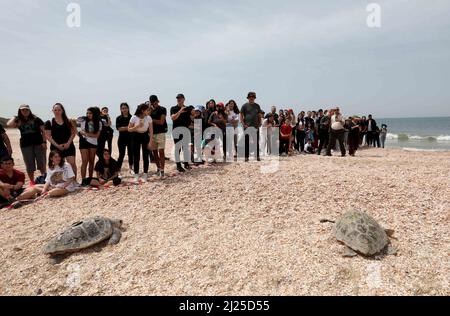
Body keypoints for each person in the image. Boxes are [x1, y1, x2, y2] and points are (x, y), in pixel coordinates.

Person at [7, 104, 47, 184]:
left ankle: (44, 180)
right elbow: (9, 124)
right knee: (29, 164)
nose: (25, 111)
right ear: (20, 111)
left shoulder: (36, 119)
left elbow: (44, 131)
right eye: (23, 110)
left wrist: (44, 142)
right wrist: (15, 117)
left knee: (41, 163)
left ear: (29, 110)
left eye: (26, 110)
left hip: (38, 144)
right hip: (26, 145)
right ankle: (32, 182)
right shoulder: (18, 120)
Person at [44, 103, 77, 179]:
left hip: (69, 146)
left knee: (72, 164)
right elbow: (48, 136)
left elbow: (73, 133)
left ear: (62, 111)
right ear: (52, 111)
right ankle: (61, 181)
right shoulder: (49, 122)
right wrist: (57, 146)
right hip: (56, 147)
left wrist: (68, 143)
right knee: (59, 165)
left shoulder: (69, 121)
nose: (57, 111)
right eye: (55, 110)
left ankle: (74, 181)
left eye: (59, 110)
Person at [128, 103, 154, 182]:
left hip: (145, 136)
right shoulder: (134, 117)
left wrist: (150, 141)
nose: (149, 111)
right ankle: (136, 175)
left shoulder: (149, 118)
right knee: (136, 156)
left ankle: (145, 174)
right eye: (147, 110)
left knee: (145, 156)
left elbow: (151, 130)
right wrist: (137, 126)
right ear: (142, 110)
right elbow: (129, 129)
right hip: (136, 136)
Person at [78, 107, 102, 180]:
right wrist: (77, 132)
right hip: (83, 142)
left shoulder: (99, 122)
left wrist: (86, 134)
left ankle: (90, 179)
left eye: (90, 113)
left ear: (94, 114)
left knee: (91, 161)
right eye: (87, 113)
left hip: (93, 143)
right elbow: (71, 120)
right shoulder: (83, 120)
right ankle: (84, 180)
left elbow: (97, 136)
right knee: (85, 161)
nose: (88, 114)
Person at [170, 94, 192, 172]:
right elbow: (173, 118)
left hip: (185, 130)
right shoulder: (173, 108)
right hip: (176, 131)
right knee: (178, 148)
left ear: (184, 99)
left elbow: (191, 119)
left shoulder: (187, 109)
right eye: (177, 98)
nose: (178, 99)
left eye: (180, 98)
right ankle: (178, 165)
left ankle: (186, 163)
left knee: (185, 148)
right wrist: (180, 111)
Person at [240, 92, 263, 162]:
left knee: (256, 142)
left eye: (253, 97)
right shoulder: (244, 106)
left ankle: (257, 156)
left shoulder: (257, 106)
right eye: (250, 97)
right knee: (246, 142)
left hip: (255, 127)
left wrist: (260, 123)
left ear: (254, 98)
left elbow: (259, 115)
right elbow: (241, 115)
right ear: (248, 98)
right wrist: (243, 124)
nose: (251, 98)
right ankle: (246, 157)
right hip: (247, 126)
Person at [149, 95, 168, 178]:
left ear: (158, 101)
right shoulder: (149, 111)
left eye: (155, 102)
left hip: (160, 133)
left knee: (161, 152)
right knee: (154, 153)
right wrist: (149, 111)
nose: (154, 104)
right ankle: (158, 168)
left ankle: (162, 170)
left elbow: (161, 122)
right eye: (152, 103)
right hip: (152, 134)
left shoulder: (162, 109)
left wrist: (151, 120)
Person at [116, 103, 133, 173]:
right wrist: (129, 128)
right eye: (123, 108)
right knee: (121, 155)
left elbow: (134, 128)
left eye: (125, 108)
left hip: (131, 138)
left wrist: (125, 128)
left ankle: (131, 169)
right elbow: (119, 129)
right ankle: (118, 170)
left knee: (131, 154)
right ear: (120, 109)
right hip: (121, 139)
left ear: (128, 108)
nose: (124, 109)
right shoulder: (118, 118)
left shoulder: (132, 117)